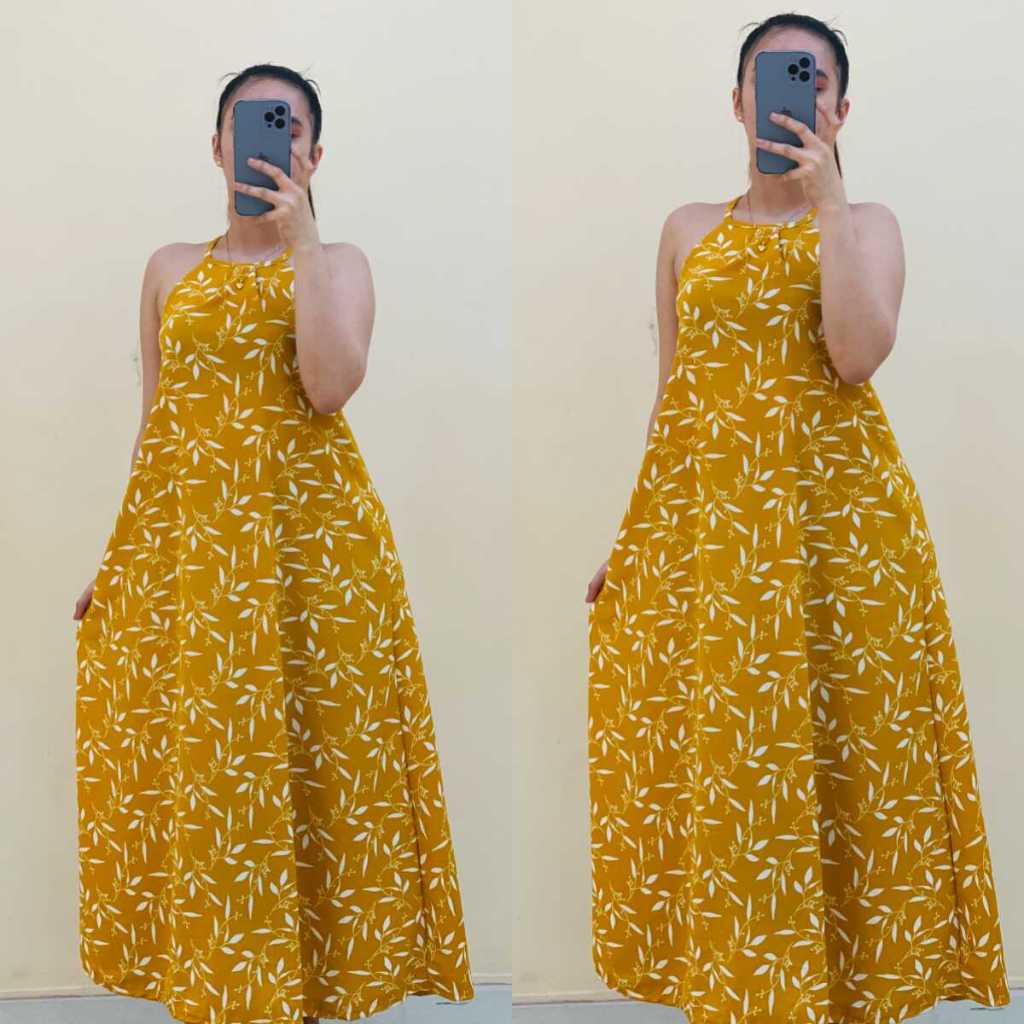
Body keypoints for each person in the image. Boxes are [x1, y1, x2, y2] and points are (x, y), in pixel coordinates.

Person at [585, 14, 1010, 1024]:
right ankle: (746, 989)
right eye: (772, 80)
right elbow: (673, 400)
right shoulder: (686, 229)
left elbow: (856, 356)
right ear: (737, 102)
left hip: (841, 539)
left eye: (811, 81)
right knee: (734, 769)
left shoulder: (870, 226)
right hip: (718, 542)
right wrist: (633, 538)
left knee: (850, 763)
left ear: (840, 108)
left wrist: (830, 204)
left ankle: (849, 991)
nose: (790, 97)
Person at [73, 62, 473, 1024]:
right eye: (250, 127)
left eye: (288, 129)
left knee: (320, 774)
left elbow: (330, 388)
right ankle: (228, 990)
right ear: (217, 147)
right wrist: (119, 561)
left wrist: (301, 242)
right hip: (201, 565)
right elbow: (156, 430)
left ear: (314, 154)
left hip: (316, 563)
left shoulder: (341, 266)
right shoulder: (169, 268)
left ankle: (316, 990)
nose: (267, 143)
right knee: (213, 780)